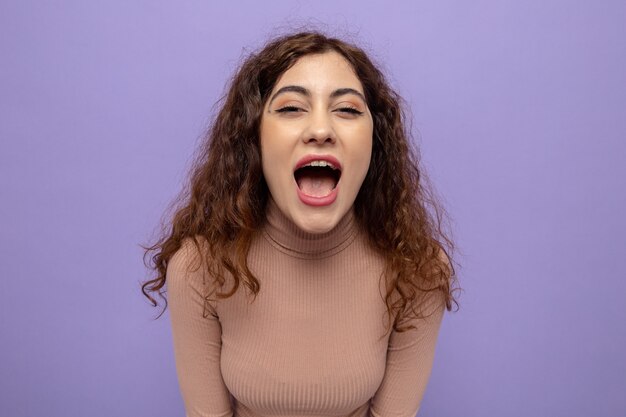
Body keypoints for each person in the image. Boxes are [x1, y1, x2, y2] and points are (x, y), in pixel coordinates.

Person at [141, 30, 458, 417]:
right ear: (254, 137)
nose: (320, 130)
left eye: (347, 110)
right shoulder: (198, 268)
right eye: (291, 108)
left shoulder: (418, 272)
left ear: (375, 143)